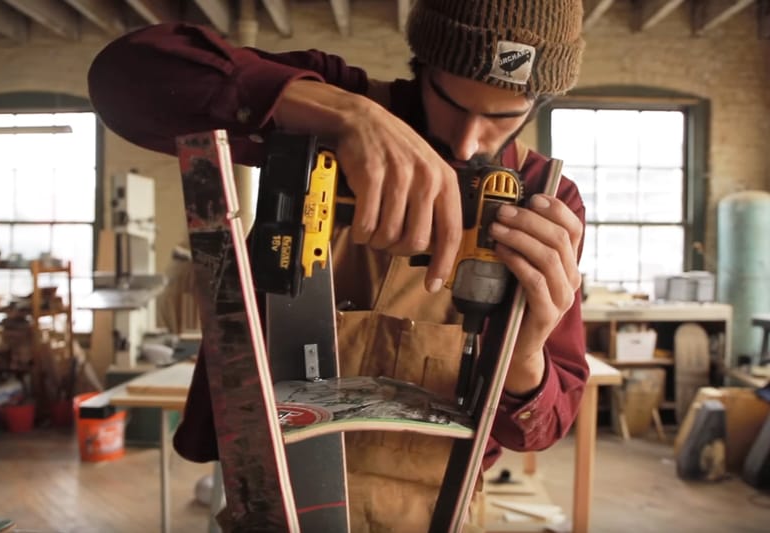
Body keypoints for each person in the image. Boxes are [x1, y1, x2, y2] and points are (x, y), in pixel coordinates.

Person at [88, 0, 589, 530]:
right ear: (423, 66)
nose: (468, 142)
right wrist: (344, 114)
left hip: (435, 513)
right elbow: (123, 79)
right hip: (272, 503)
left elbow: (538, 429)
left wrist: (526, 349)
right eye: (452, 101)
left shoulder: (545, 202)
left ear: (540, 101)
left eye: (502, 118)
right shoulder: (334, 107)